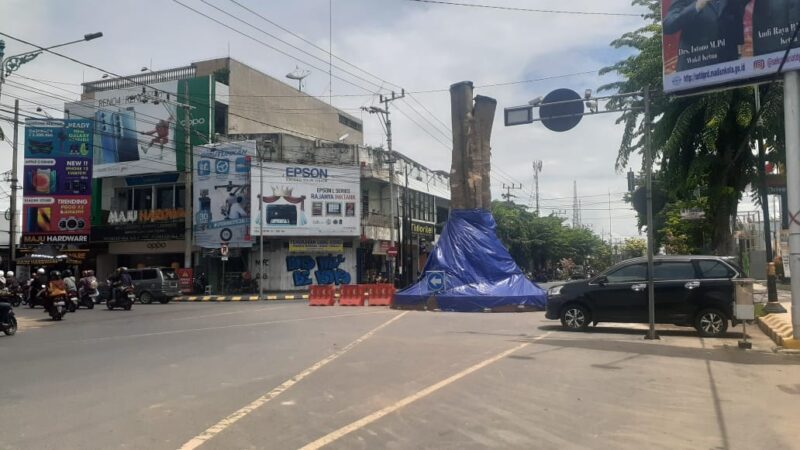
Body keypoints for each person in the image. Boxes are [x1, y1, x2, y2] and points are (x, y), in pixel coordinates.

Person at [663, 0, 749, 71]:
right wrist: (697, 6)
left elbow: (737, 14)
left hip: (730, 67)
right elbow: (668, 25)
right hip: (694, 71)